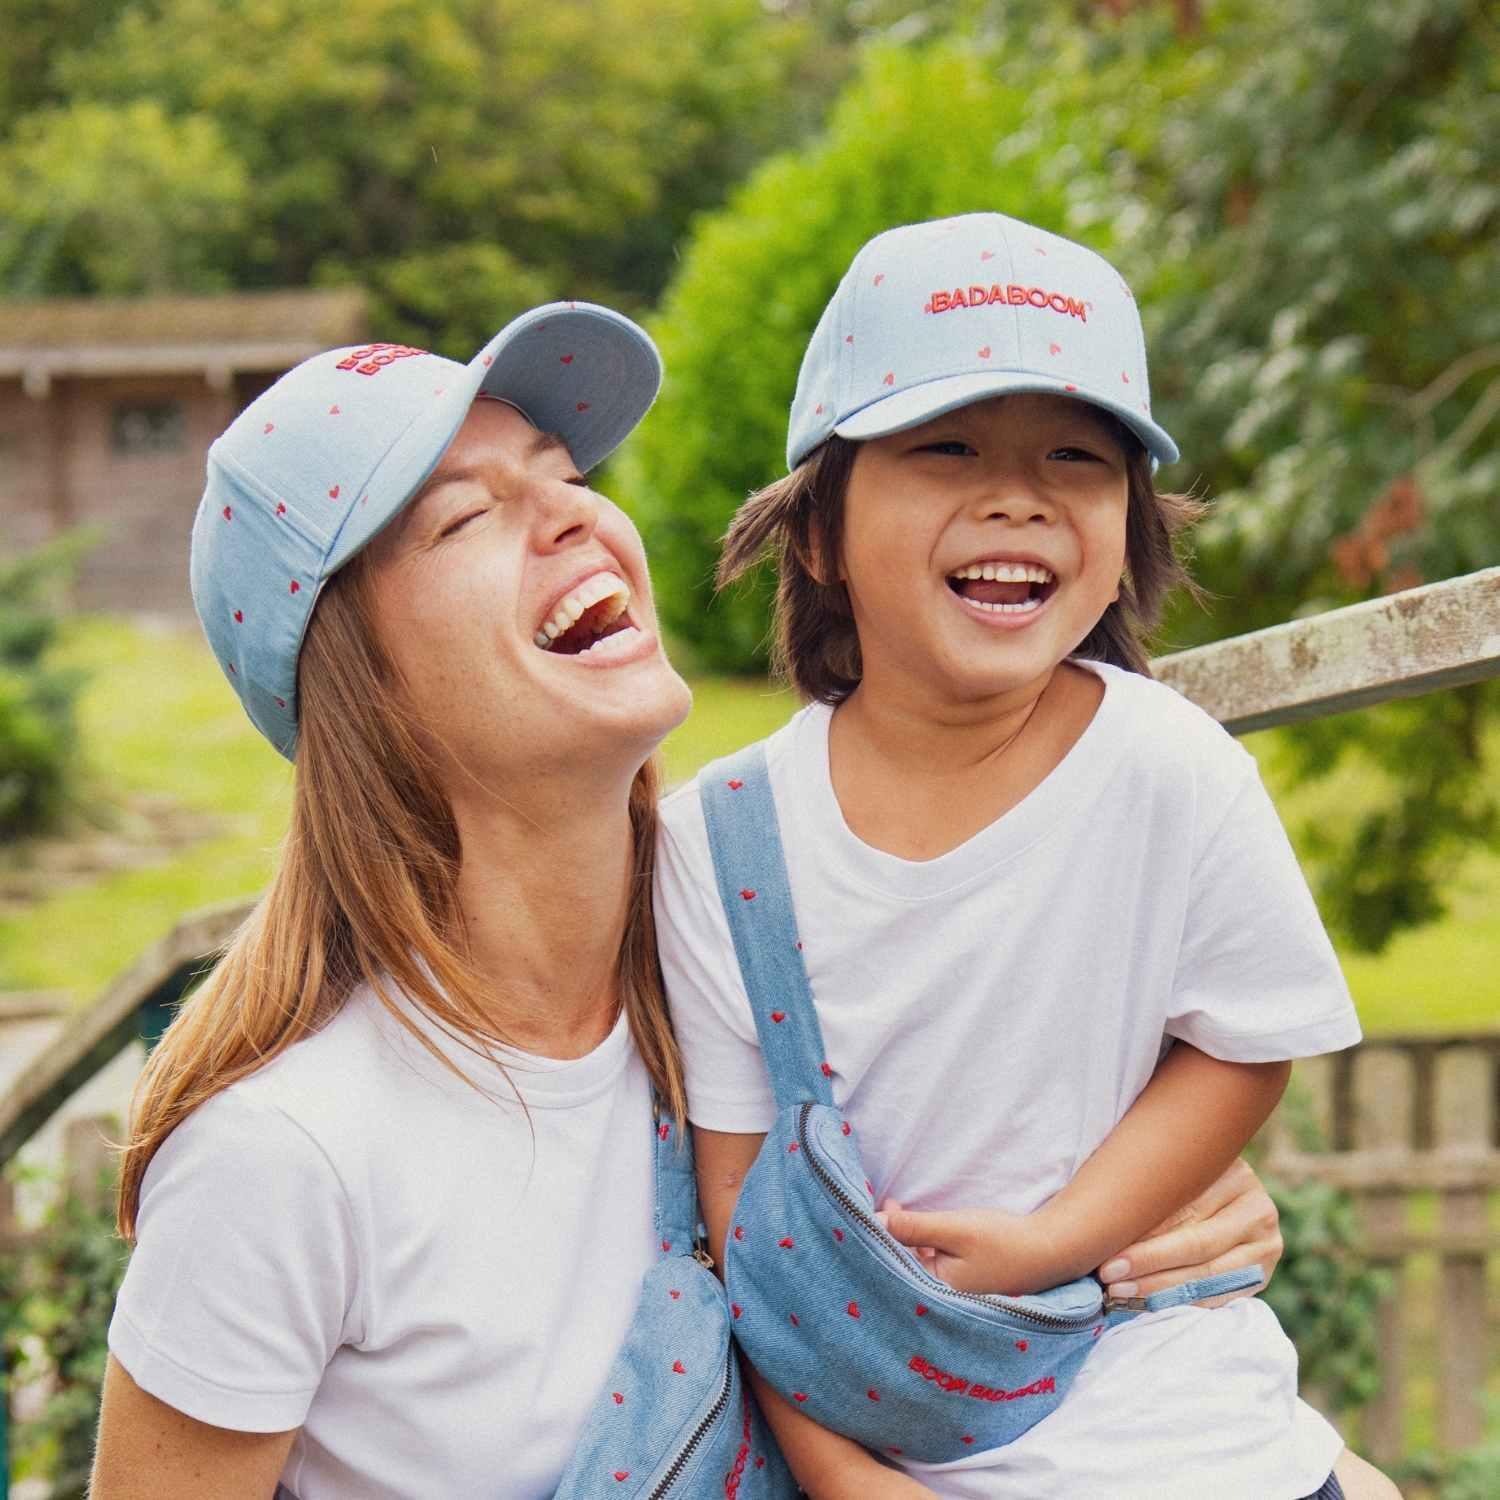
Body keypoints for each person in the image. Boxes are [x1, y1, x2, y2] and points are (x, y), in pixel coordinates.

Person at [91, 299, 1298, 1500]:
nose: (576, 516)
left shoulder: (772, 945)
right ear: (355, 679)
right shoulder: (282, 1159)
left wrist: (1152, 1232)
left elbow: (1037, 1197)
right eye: (466, 516)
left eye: (565, 475)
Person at [655, 215, 1401, 1499]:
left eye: (1079, 456)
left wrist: (1064, 1234)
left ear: (1129, 526)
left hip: (1197, 1437)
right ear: (819, 532)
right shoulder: (722, 842)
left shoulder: (1172, 770)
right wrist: (840, 1476)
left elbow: (1243, 1041)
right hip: (905, 1447)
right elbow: (748, 1231)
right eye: (945, 449)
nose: (1020, 496)